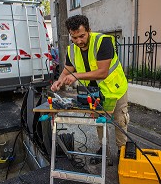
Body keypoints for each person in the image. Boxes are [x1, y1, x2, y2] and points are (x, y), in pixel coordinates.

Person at [51, 15, 129, 164]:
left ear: (89, 30)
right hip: (94, 92)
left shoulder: (103, 41)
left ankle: (122, 151)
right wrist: (59, 81)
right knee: (100, 121)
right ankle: (104, 150)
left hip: (115, 88)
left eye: (82, 36)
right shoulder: (72, 49)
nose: (78, 41)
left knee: (120, 120)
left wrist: (76, 76)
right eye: (74, 37)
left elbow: (102, 72)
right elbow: (68, 69)